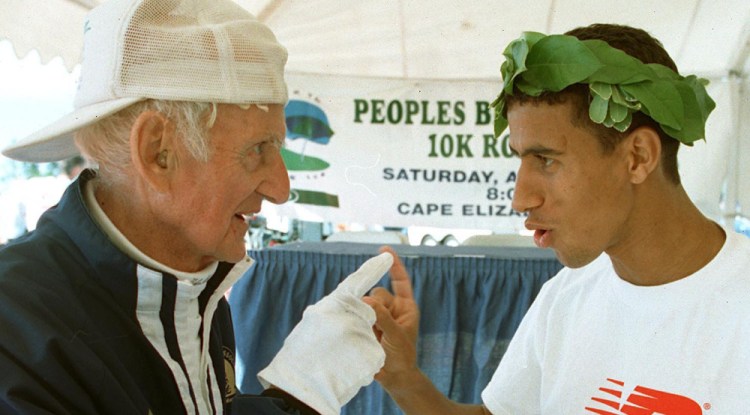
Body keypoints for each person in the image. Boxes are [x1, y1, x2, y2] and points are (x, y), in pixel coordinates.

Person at [0, 0, 391, 414]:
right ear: (159, 153)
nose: (281, 189)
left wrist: (298, 396)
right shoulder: (15, 334)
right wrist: (308, 385)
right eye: (258, 149)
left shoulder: (192, 286)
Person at [367, 23, 750, 414]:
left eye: (547, 160)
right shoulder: (566, 294)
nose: (520, 199)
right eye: (521, 159)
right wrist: (403, 378)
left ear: (637, 157)